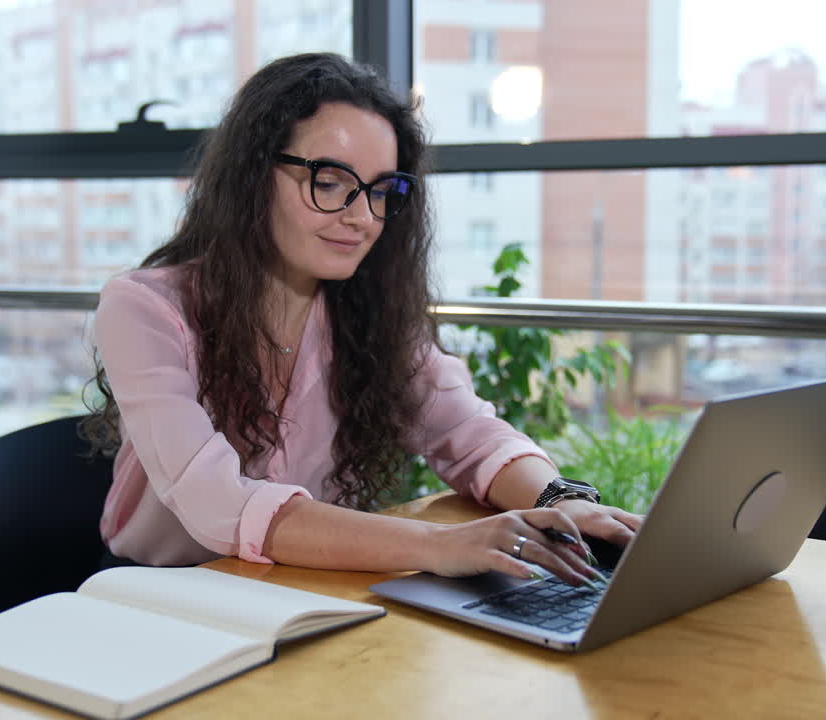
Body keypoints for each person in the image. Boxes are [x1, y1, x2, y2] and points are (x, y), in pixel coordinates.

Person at [83, 53, 639, 587]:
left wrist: (560, 504)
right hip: (154, 597)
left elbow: (469, 434)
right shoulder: (144, 307)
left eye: (381, 191)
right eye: (329, 181)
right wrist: (442, 544)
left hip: (305, 586)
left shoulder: (366, 313)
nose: (362, 218)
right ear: (253, 176)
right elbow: (216, 501)